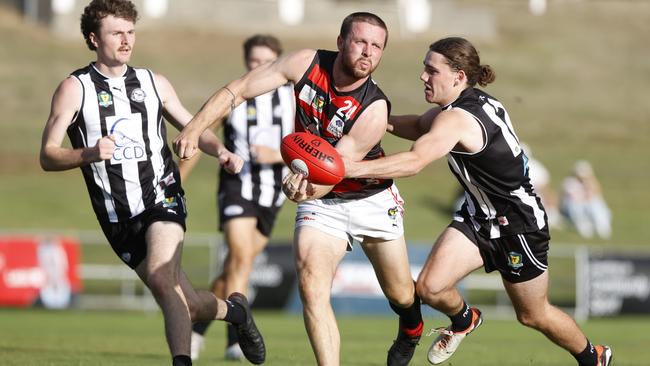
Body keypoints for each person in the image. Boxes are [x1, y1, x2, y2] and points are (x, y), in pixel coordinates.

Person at [343, 37, 612, 366]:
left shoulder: (459, 119)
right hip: (479, 217)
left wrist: (348, 168)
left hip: (519, 224)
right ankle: (464, 319)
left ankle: (592, 357)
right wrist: (372, 117)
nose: (423, 76)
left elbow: (415, 162)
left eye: (431, 70)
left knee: (532, 315)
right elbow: (417, 125)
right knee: (430, 288)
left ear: (458, 76)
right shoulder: (458, 108)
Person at [174, 12, 423, 366]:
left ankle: (411, 325)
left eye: (376, 46)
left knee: (400, 292)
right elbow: (240, 88)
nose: (368, 52)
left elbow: (334, 170)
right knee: (311, 282)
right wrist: (195, 128)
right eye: (360, 42)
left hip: (369, 197)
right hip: (323, 204)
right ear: (340, 42)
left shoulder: (374, 108)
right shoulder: (306, 63)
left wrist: (302, 189)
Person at [38, 1, 265, 365]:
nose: (126, 40)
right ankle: (236, 312)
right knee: (186, 303)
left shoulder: (152, 82)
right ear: (93, 39)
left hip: (162, 197)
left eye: (130, 32)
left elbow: (193, 127)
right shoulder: (74, 88)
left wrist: (220, 151)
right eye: (116, 33)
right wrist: (88, 153)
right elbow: (48, 155)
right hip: (117, 217)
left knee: (162, 278)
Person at [180, 34, 295, 362]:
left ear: (277, 62)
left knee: (235, 265)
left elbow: (309, 148)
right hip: (237, 185)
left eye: (265, 62)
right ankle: (236, 338)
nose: (258, 68)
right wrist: (178, 179)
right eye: (253, 62)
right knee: (242, 256)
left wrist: (277, 156)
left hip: (274, 192)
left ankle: (196, 329)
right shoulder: (234, 96)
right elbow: (200, 132)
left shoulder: (294, 97)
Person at [560, 160, 612, 239]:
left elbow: (597, 192)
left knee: (596, 203)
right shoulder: (570, 182)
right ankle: (583, 226)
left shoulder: (590, 182)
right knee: (575, 205)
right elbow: (573, 198)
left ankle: (602, 226)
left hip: (586, 206)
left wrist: (590, 182)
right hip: (575, 207)